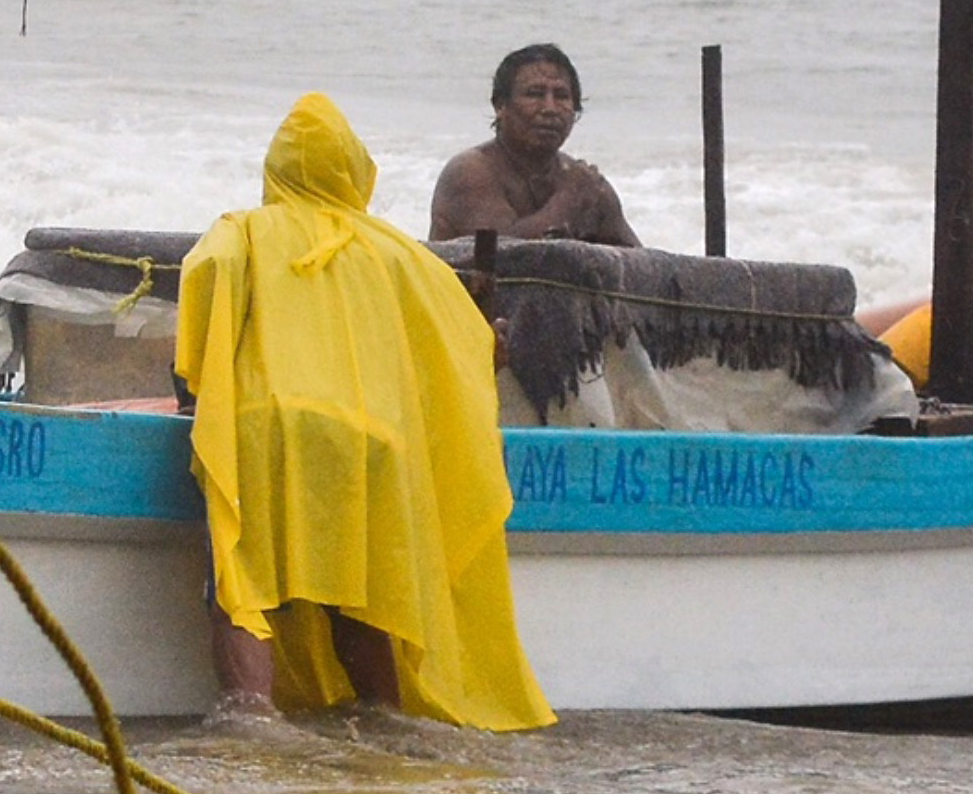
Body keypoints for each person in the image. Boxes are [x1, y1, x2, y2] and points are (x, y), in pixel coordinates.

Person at [180, 93, 555, 732]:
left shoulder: (242, 229)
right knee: (361, 598)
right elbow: (465, 339)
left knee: (243, 591)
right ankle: (387, 720)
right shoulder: (394, 253)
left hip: (267, 426)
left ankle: (251, 720)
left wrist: (192, 384)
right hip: (369, 441)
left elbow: (204, 286)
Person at [429, 42, 640, 247]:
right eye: (535, 94)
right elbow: (498, 257)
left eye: (561, 96)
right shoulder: (470, 172)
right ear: (501, 105)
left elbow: (643, 263)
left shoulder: (582, 181)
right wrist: (568, 199)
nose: (550, 108)